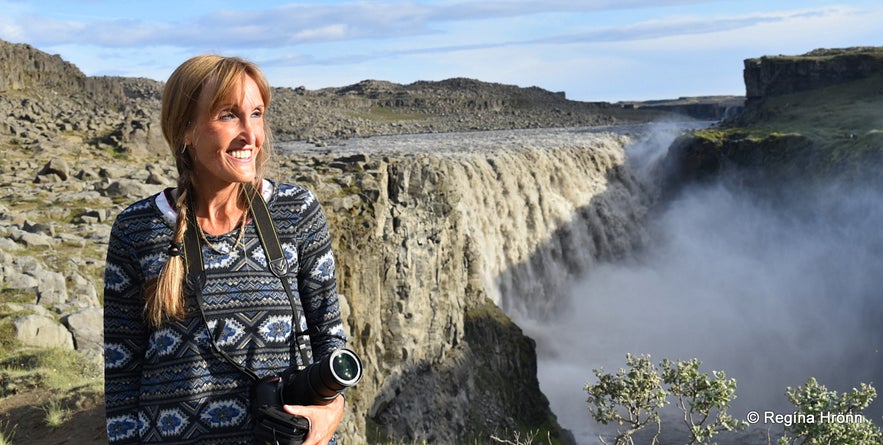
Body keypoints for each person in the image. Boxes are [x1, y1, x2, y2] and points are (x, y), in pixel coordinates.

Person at [103, 55, 348, 445]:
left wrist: (332, 410)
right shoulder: (137, 229)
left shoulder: (296, 212)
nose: (250, 135)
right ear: (185, 129)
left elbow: (330, 338)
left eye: (256, 113)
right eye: (229, 116)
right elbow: (121, 374)